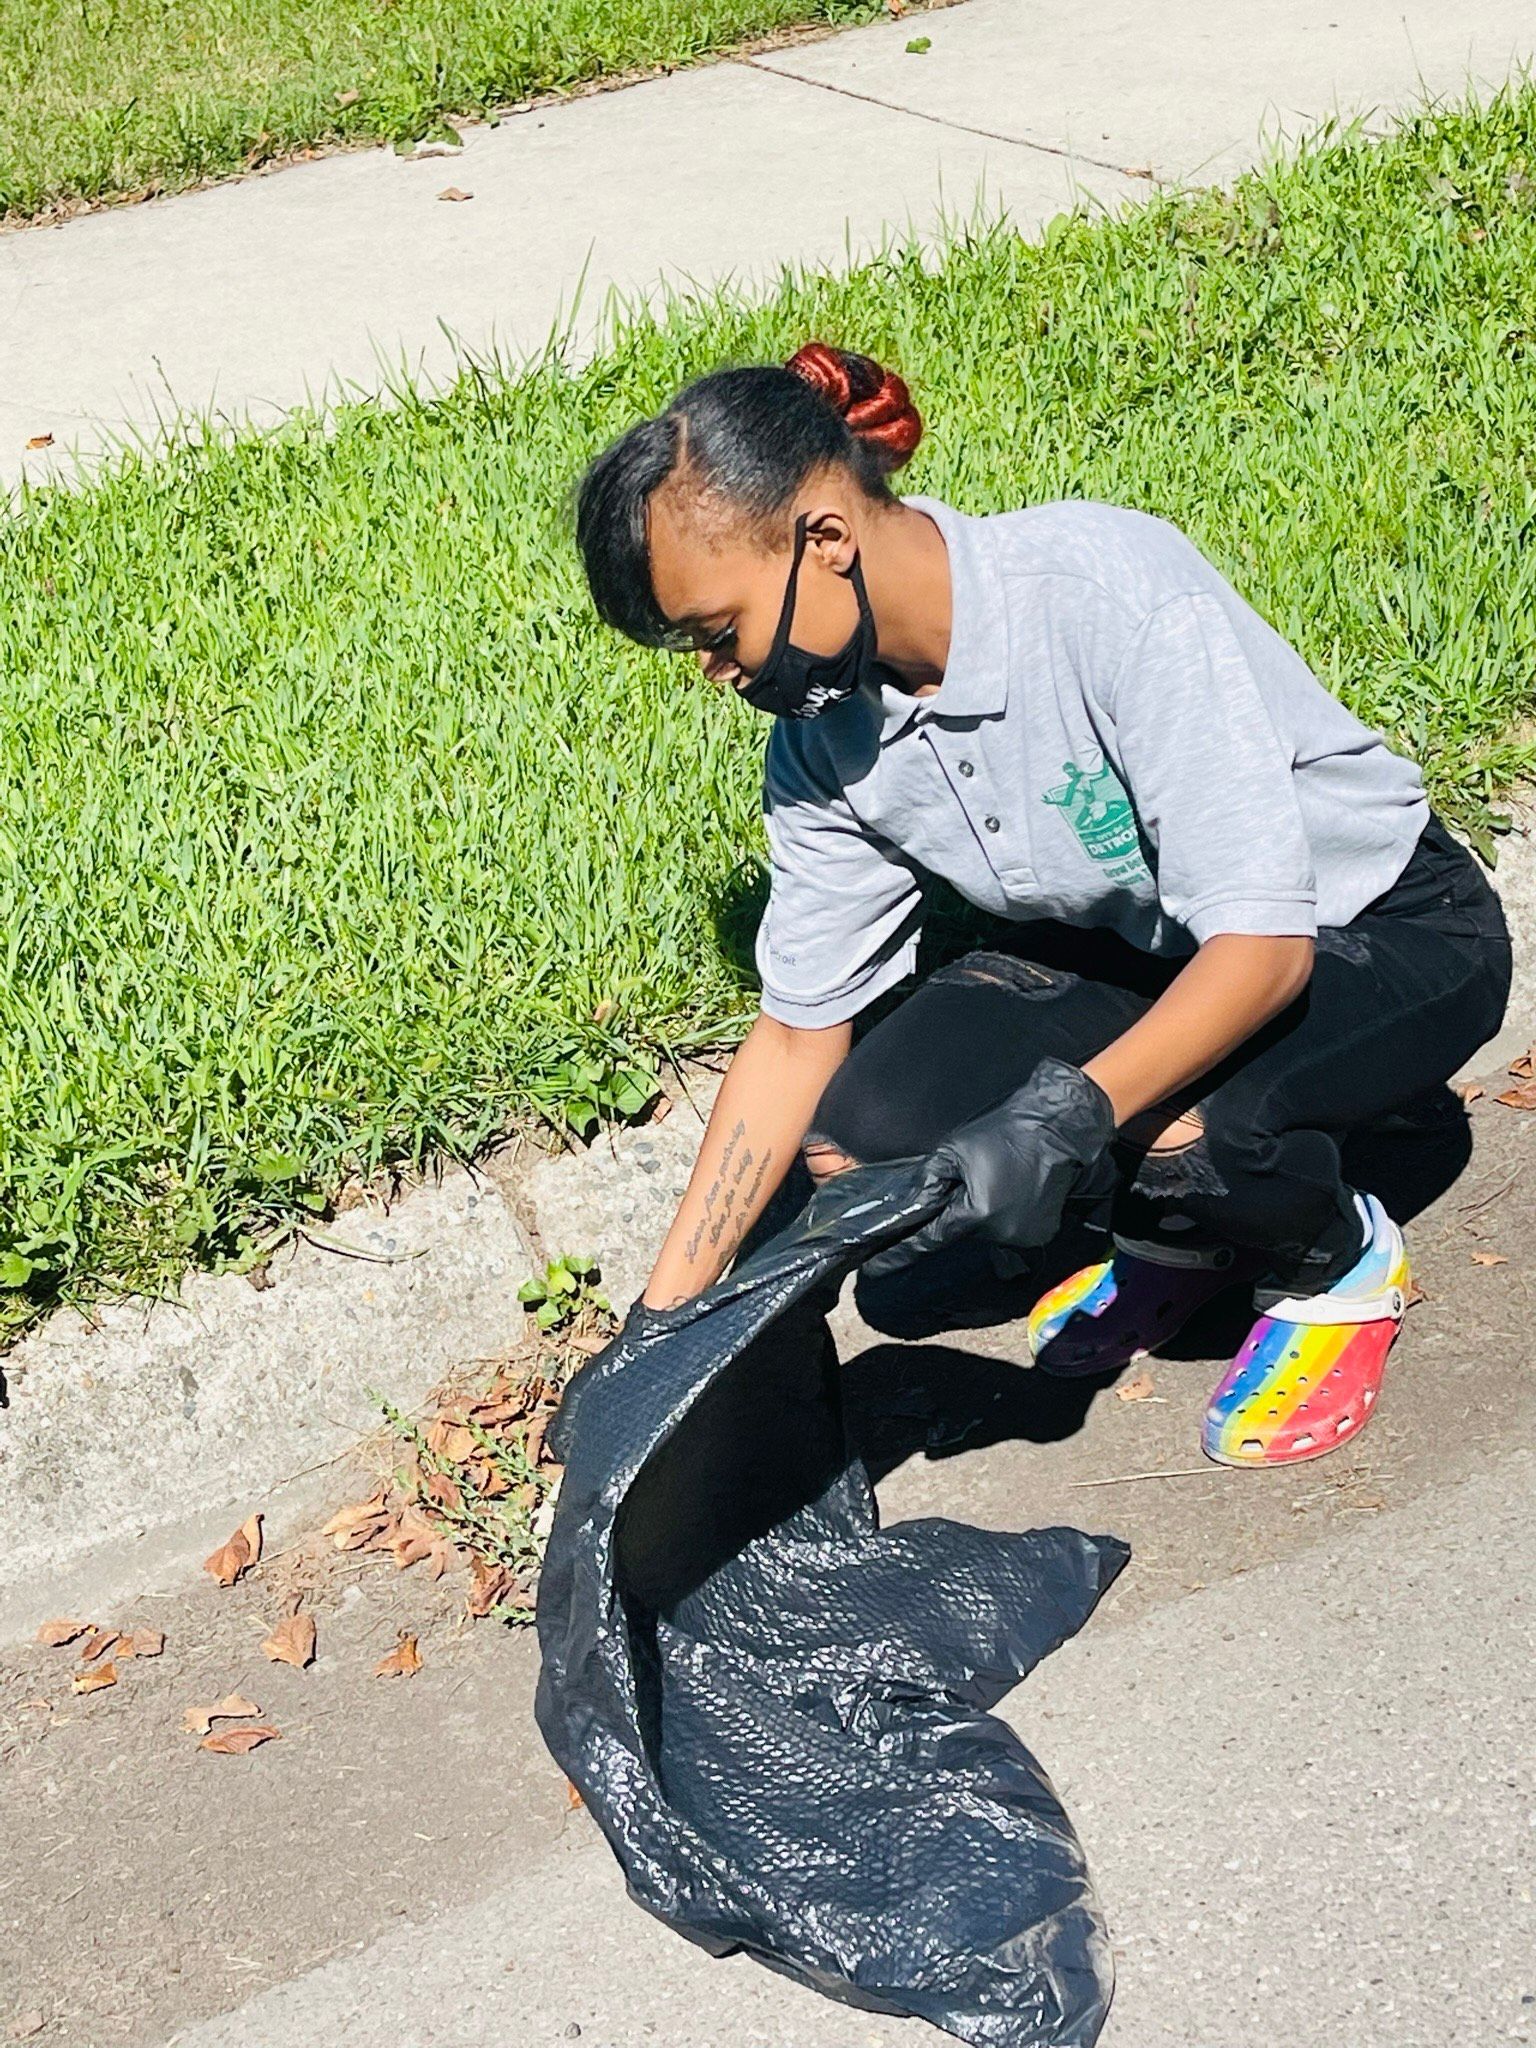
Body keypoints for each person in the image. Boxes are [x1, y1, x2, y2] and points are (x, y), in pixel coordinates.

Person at [573, 341, 1511, 1467]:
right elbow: (795, 1033)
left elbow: (1262, 952)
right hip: (1151, 942)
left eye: (719, 633)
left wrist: (1070, 1116)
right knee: (861, 1135)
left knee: (1180, 1121)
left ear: (824, 539)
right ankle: (1182, 1231)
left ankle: (1336, 1258)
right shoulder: (825, 737)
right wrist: (661, 1324)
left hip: (1378, 925)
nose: (717, 674)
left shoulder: (1101, 594)